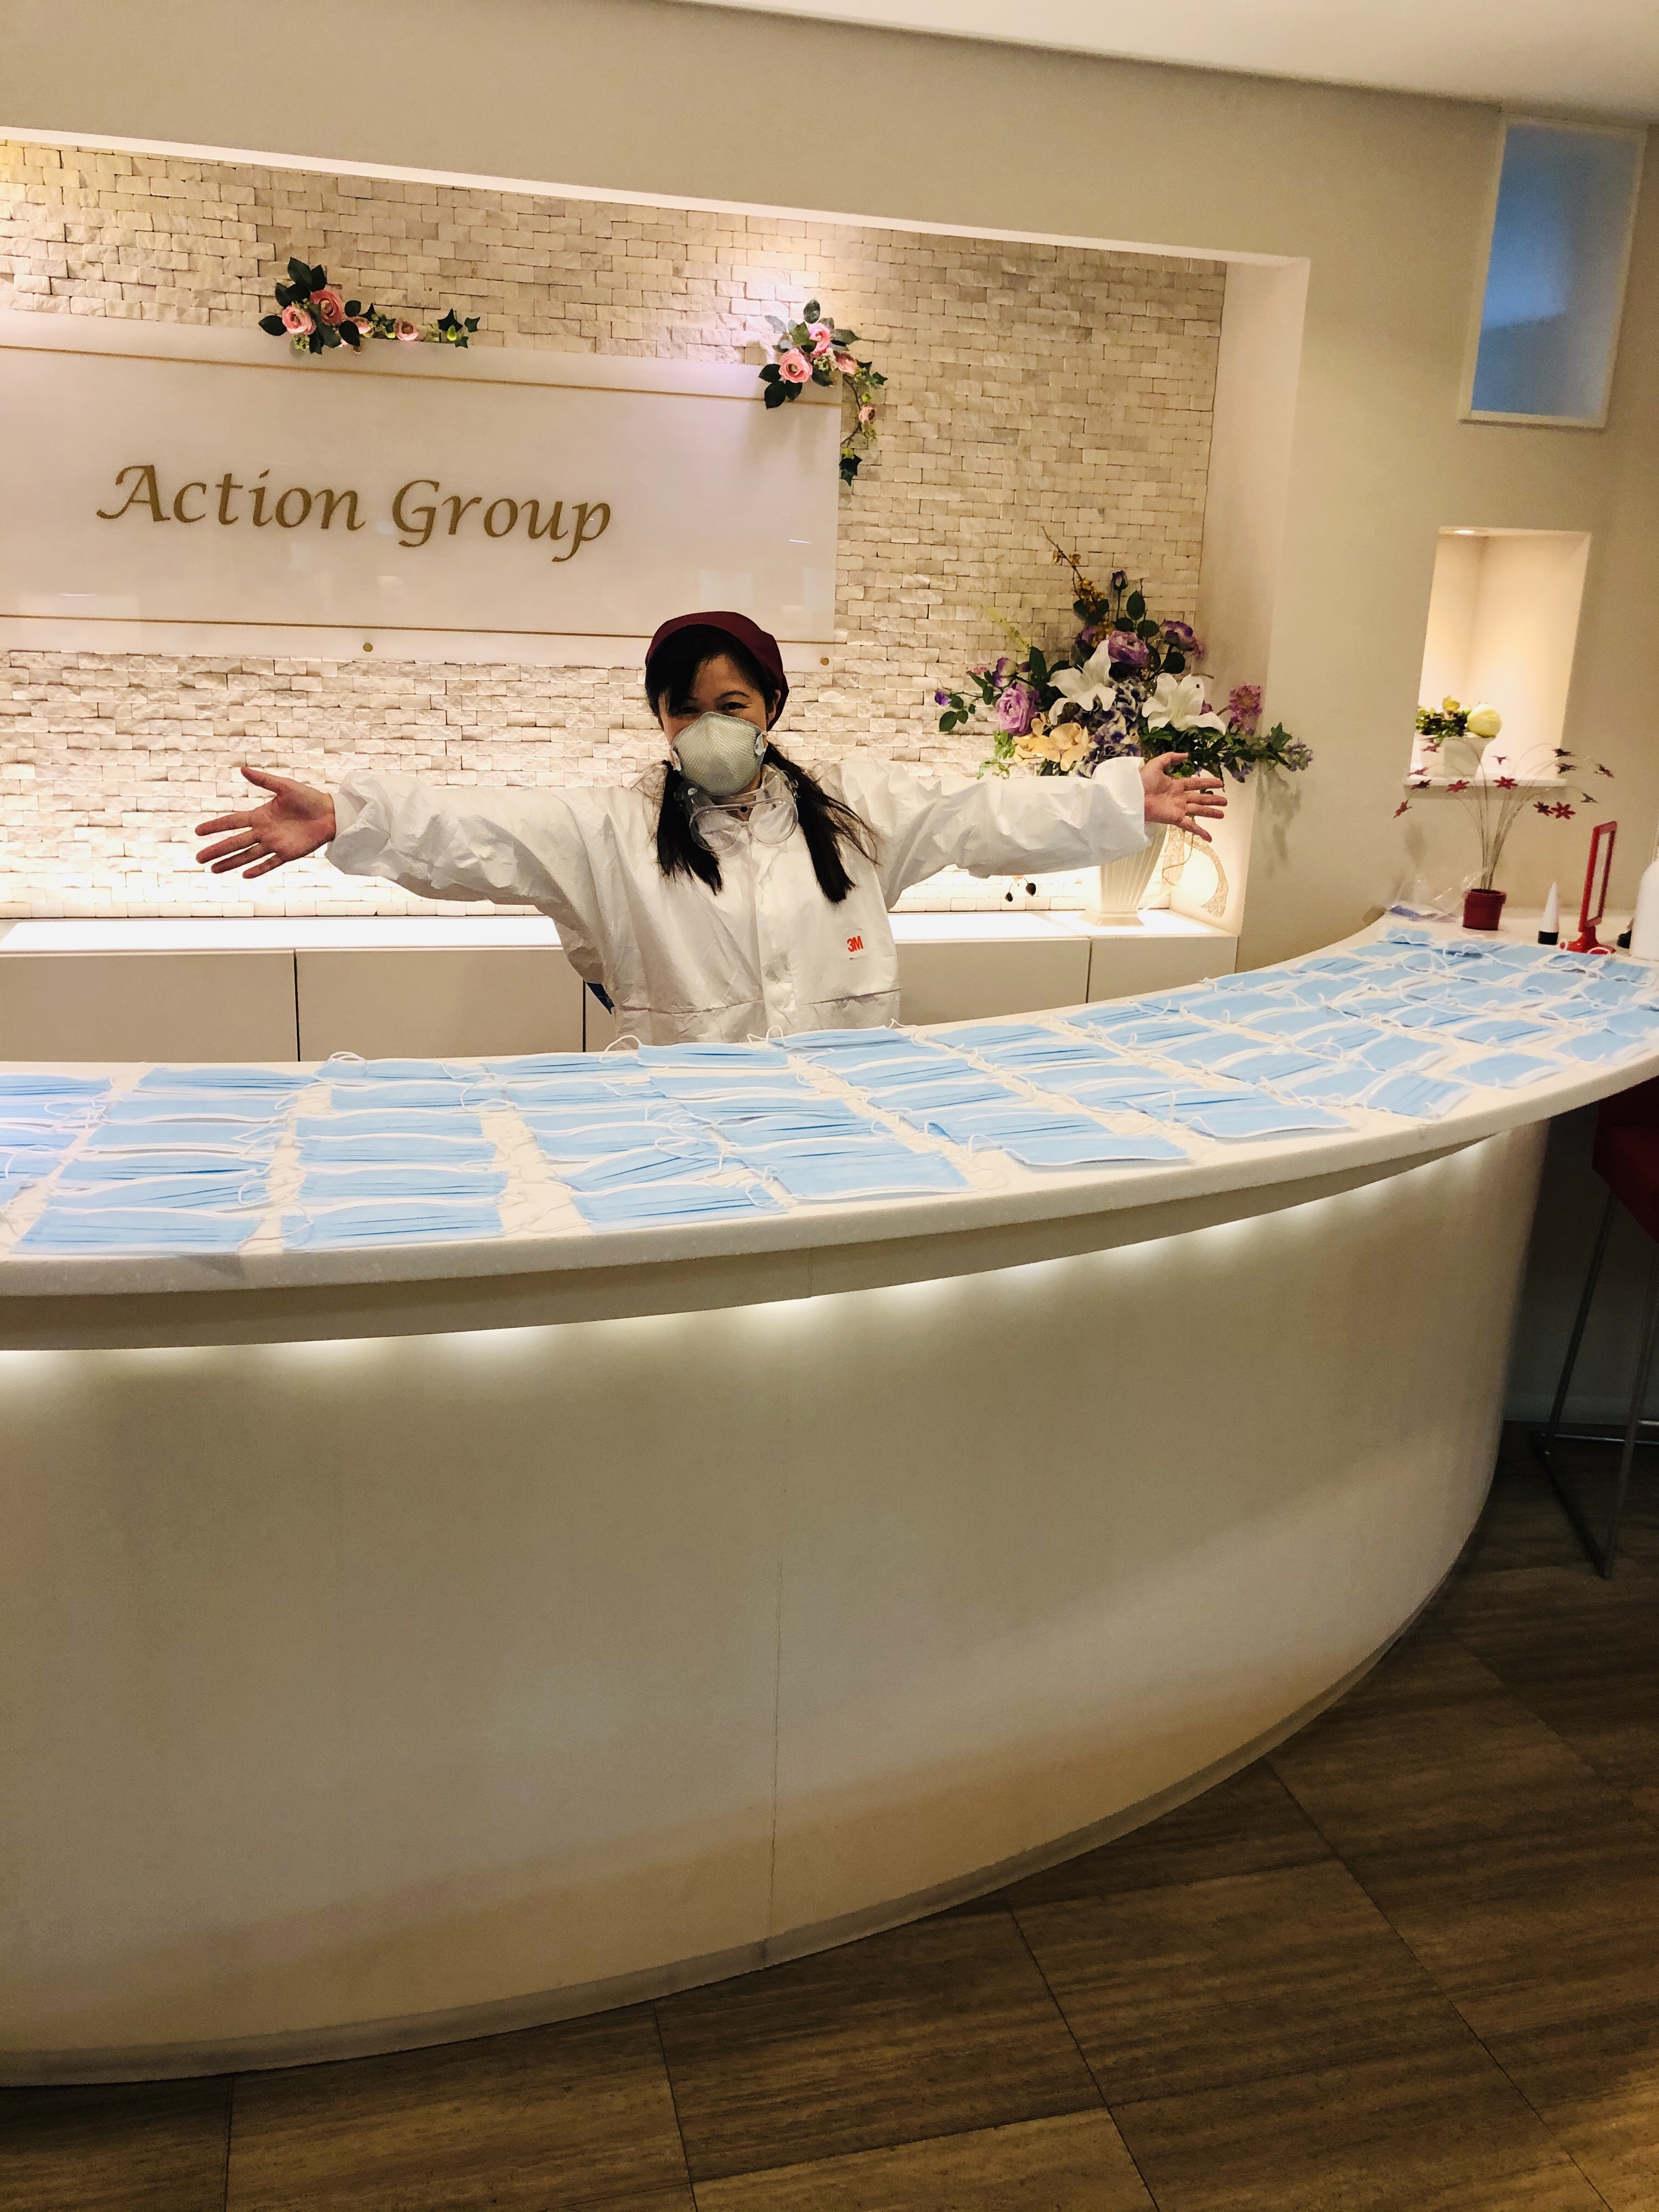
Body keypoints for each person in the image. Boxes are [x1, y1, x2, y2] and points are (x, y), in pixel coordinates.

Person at [194, 610, 1226, 1044]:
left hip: (842, 1118)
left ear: (771, 706)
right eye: (684, 709)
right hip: (682, 1129)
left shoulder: (858, 811)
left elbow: (982, 817)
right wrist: (350, 816)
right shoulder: (611, 829)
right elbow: (481, 831)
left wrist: (1116, 802)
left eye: (731, 704)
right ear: (659, 719)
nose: (708, 726)